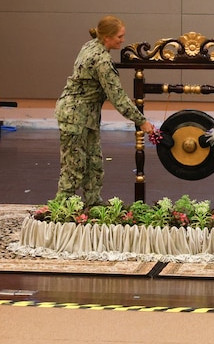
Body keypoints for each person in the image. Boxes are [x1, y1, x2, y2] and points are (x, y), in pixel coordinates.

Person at [55, 15, 155, 206]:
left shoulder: (91, 45)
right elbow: (117, 97)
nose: (122, 40)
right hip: (74, 116)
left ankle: (93, 203)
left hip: (87, 116)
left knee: (94, 163)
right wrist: (142, 121)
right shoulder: (101, 60)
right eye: (119, 36)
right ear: (107, 37)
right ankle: (60, 211)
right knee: (73, 166)